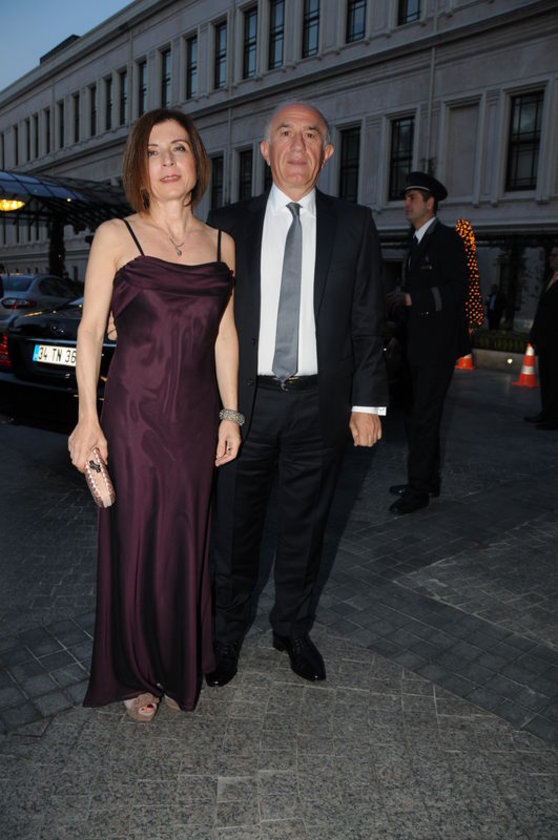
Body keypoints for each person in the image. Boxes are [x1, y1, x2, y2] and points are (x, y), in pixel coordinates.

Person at [205, 101, 388, 687]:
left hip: (319, 404)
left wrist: (367, 402)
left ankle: (292, 628)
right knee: (233, 527)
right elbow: (205, 314)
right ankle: (225, 635)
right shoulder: (227, 224)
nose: (298, 145)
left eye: (311, 135)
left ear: (326, 154)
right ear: (266, 151)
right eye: (285, 133)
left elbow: (368, 318)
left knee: (306, 527)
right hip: (244, 405)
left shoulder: (354, 224)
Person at [68, 108, 241, 721]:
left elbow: (225, 335)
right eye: (153, 152)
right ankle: (137, 670)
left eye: (178, 149)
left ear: (197, 161)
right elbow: (91, 331)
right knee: (137, 539)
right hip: (134, 417)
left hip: (195, 419)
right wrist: (88, 418)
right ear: (138, 168)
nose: (167, 162)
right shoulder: (116, 235)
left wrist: (230, 413)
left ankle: (177, 659)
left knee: (186, 538)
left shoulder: (222, 244)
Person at [387, 171, 469, 515]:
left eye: (413, 198)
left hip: (437, 347)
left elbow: (458, 290)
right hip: (414, 346)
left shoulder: (448, 240)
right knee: (417, 415)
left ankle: (418, 490)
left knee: (423, 417)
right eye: (405, 198)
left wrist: (413, 300)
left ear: (430, 203)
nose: (406, 204)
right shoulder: (415, 242)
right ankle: (428, 479)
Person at [524, 245, 558, 430]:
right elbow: (542, 310)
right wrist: (535, 334)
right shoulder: (550, 278)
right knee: (545, 377)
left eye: (554, 255)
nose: (551, 258)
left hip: (555, 339)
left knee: (554, 378)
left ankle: (554, 417)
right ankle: (546, 412)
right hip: (545, 338)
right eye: (551, 255)